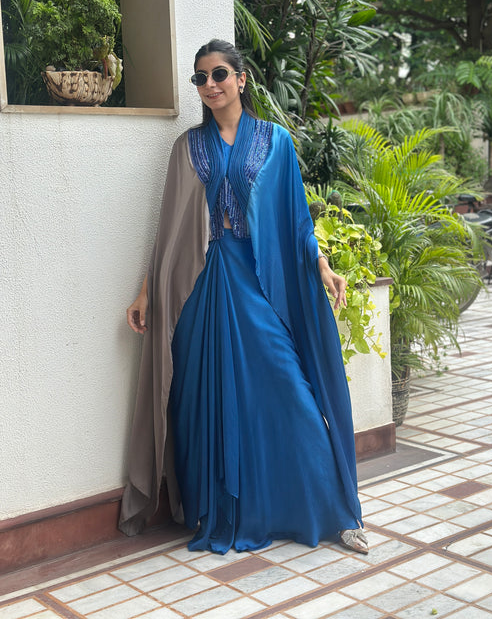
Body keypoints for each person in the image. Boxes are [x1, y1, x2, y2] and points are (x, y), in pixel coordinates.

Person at [119, 39, 368, 556]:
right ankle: (222, 512)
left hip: (257, 283)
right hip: (203, 287)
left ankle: (334, 513)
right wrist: (145, 292)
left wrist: (322, 266)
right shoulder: (187, 147)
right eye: (200, 78)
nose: (209, 85)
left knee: (292, 391)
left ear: (241, 78)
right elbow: (169, 232)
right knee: (205, 400)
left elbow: (296, 221)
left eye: (218, 74)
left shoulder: (276, 141)